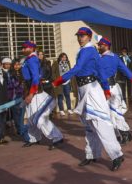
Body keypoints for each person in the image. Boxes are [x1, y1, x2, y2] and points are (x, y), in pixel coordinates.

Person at [53, 27, 124, 171]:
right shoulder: (88, 51)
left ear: (89, 37)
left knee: (100, 123)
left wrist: (60, 79)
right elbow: (100, 71)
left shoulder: (88, 50)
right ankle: (92, 154)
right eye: (79, 36)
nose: (80, 38)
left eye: (83, 36)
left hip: (91, 90)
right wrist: (105, 88)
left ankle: (117, 155)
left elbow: (78, 68)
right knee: (88, 125)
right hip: (83, 89)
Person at [21, 41, 63, 150]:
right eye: (22, 48)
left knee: (39, 118)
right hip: (29, 90)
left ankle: (57, 137)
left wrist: (31, 94)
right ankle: (34, 138)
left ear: (31, 49)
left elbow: (35, 78)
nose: (22, 50)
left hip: (35, 93)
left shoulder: (32, 59)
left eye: (25, 48)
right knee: (31, 117)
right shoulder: (28, 59)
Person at [97, 37, 132, 144]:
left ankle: (124, 133)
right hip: (113, 87)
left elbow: (100, 74)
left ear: (106, 46)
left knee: (114, 113)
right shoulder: (114, 56)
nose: (98, 47)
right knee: (113, 112)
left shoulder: (101, 59)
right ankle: (124, 134)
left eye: (100, 45)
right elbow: (124, 68)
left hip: (108, 88)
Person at [7, 58, 27, 142]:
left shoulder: (23, 73)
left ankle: (21, 130)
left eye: (18, 64)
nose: (17, 66)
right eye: (15, 64)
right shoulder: (9, 74)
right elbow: (11, 85)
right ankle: (20, 130)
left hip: (23, 96)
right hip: (14, 97)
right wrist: (19, 84)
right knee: (16, 115)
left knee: (21, 115)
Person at [52, 53, 73, 118]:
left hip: (67, 82)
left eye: (65, 57)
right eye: (63, 57)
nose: (64, 58)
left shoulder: (67, 63)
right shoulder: (56, 63)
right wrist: (56, 80)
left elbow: (70, 71)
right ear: (60, 57)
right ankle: (61, 110)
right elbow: (53, 72)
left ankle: (69, 109)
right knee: (60, 97)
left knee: (67, 96)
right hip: (59, 82)